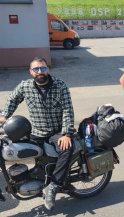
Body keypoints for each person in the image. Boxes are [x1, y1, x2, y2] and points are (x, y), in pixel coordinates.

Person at [0, 57, 75, 210]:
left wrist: (66, 133)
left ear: (47, 69)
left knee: (66, 149)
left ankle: (53, 186)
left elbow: (68, 110)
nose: (40, 72)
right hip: (36, 132)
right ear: (31, 71)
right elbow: (12, 100)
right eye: (36, 69)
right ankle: (34, 179)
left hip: (56, 132)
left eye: (42, 68)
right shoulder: (25, 86)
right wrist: (4, 115)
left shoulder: (60, 85)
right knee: (18, 150)